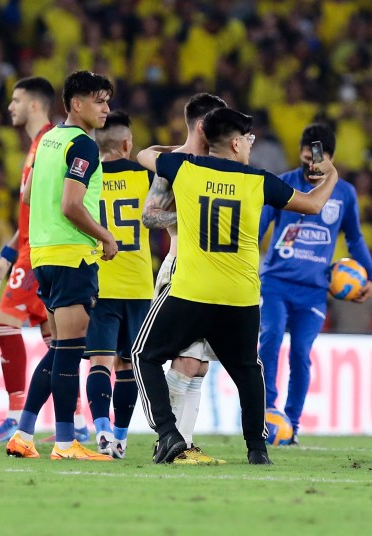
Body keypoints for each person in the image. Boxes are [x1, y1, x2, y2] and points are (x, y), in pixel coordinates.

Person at [131, 108, 339, 465]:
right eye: (249, 139)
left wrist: (185, 146)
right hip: (240, 297)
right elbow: (315, 204)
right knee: (248, 371)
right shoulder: (259, 180)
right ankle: (257, 450)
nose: (251, 145)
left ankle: (168, 434)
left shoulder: (183, 168)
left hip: (192, 291)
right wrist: (331, 174)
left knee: (143, 355)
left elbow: (143, 155)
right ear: (236, 142)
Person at [6, 70, 118, 461]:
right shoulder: (83, 145)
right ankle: (66, 442)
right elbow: (72, 205)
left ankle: (22, 433)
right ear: (76, 104)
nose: (106, 108)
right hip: (72, 255)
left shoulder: (48, 139)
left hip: (44, 255)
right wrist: (105, 236)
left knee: (58, 351)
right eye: (99, 101)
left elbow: (28, 195)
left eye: (107, 101)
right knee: (70, 351)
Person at [258, 122, 372, 444]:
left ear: (332, 157)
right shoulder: (282, 185)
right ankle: (267, 414)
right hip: (275, 283)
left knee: (300, 352)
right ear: (299, 153)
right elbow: (257, 230)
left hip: (313, 290)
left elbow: (354, 238)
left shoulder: (344, 194)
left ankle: (292, 426)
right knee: (270, 340)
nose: (314, 164)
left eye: (320, 157)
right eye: (308, 155)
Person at [141, 92, 228, 464]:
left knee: (201, 365)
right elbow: (149, 214)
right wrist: (188, 221)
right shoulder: (174, 164)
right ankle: (169, 440)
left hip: (215, 275)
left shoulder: (219, 164)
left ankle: (182, 444)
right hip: (181, 267)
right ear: (203, 125)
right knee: (185, 360)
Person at [0, 77, 56, 443]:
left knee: (4, 322)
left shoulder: (50, 145)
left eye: (16, 99)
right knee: (56, 341)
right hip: (29, 249)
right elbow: (27, 217)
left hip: (40, 251)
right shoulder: (35, 146)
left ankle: (14, 415)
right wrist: (4, 258)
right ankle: (76, 418)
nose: (10, 106)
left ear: (35, 105)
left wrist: (20, 257)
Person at [83, 111, 151, 459]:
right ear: (127, 144)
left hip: (98, 282)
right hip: (138, 286)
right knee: (128, 366)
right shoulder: (147, 176)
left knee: (99, 362)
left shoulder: (85, 177)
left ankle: (102, 431)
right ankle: (121, 438)